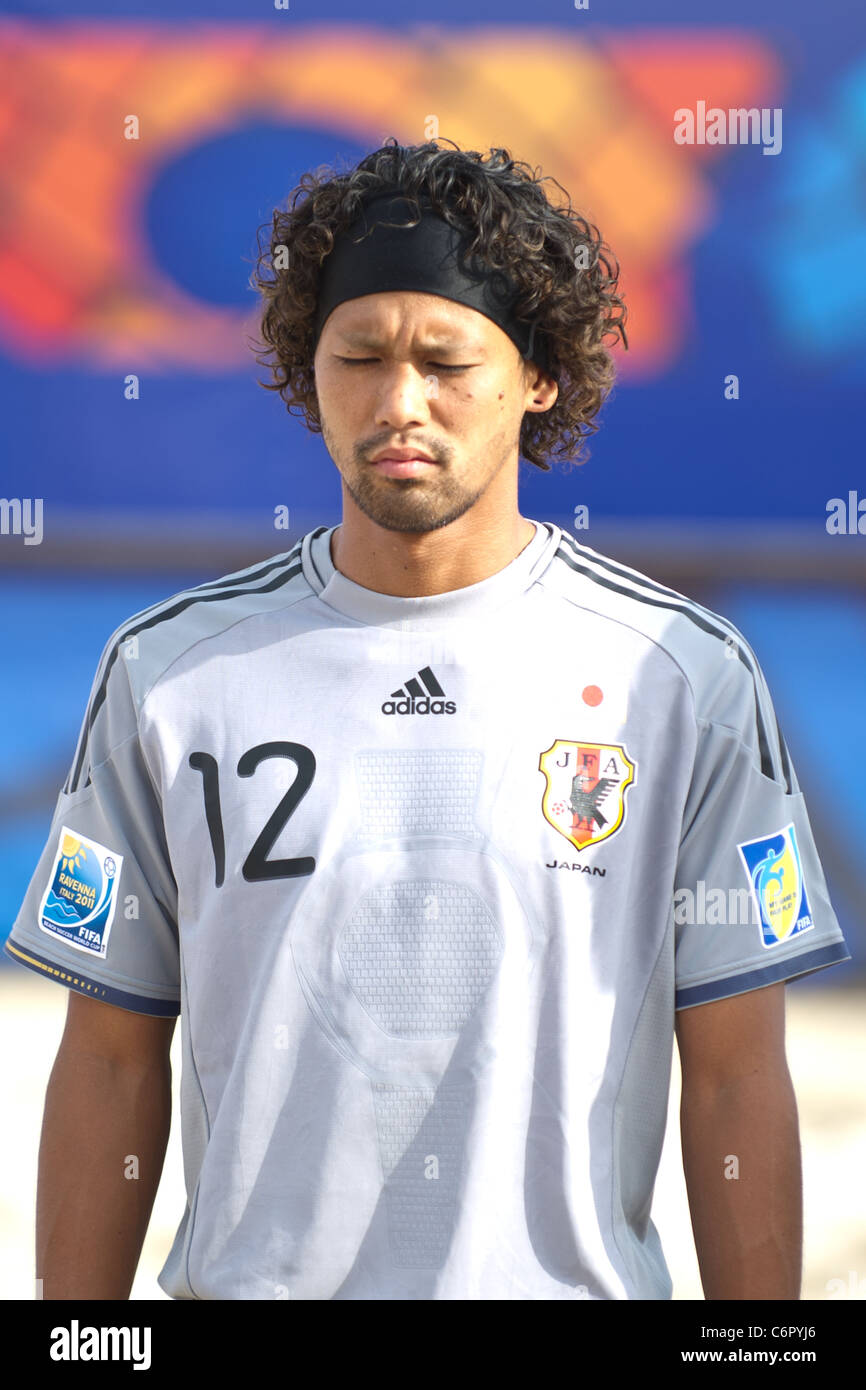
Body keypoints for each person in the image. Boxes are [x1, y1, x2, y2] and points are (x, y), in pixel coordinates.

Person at [5, 138, 850, 1301]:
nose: (399, 403)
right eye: (359, 356)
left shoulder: (679, 676)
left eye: (446, 361)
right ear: (311, 374)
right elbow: (106, 1059)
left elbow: (732, 1076)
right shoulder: (171, 673)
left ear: (540, 375)